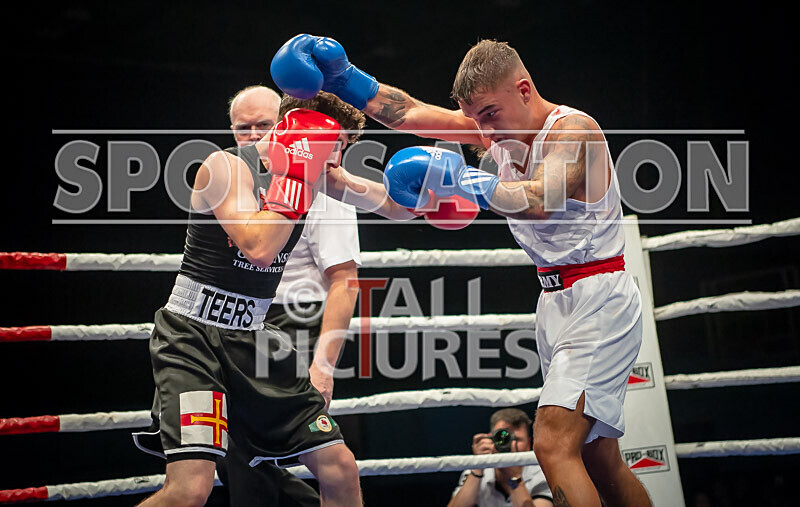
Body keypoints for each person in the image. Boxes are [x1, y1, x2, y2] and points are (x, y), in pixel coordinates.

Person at [272, 35, 651, 507]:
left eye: (489, 114)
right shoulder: (491, 128)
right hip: (556, 300)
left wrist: (463, 177)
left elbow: (539, 199)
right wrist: (343, 83)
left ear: (525, 89)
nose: (481, 130)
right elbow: (406, 114)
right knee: (599, 460)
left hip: (600, 297)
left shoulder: (573, 132)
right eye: (473, 118)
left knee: (552, 444)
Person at [132, 91, 420, 507]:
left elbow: (394, 207)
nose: (336, 162)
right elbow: (258, 245)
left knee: (340, 468)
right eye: (331, 148)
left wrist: (436, 195)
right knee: (190, 490)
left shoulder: (320, 173)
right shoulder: (225, 167)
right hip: (192, 342)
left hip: (252, 339)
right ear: (302, 136)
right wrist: (299, 175)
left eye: (339, 150)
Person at [219, 85, 363, 507]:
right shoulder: (233, 181)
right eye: (242, 129)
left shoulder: (320, 180)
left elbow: (345, 280)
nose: (253, 136)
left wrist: (323, 366)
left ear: (286, 125)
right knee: (244, 466)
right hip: (231, 330)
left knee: (334, 466)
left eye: (264, 125)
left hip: (290, 328)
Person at [450, 408, 552, 507]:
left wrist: (514, 478)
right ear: (490, 438)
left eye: (516, 439)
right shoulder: (475, 471)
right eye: (502, 438)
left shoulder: (542, 474)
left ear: (528, 444)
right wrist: (478, 466)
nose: (509, 444)